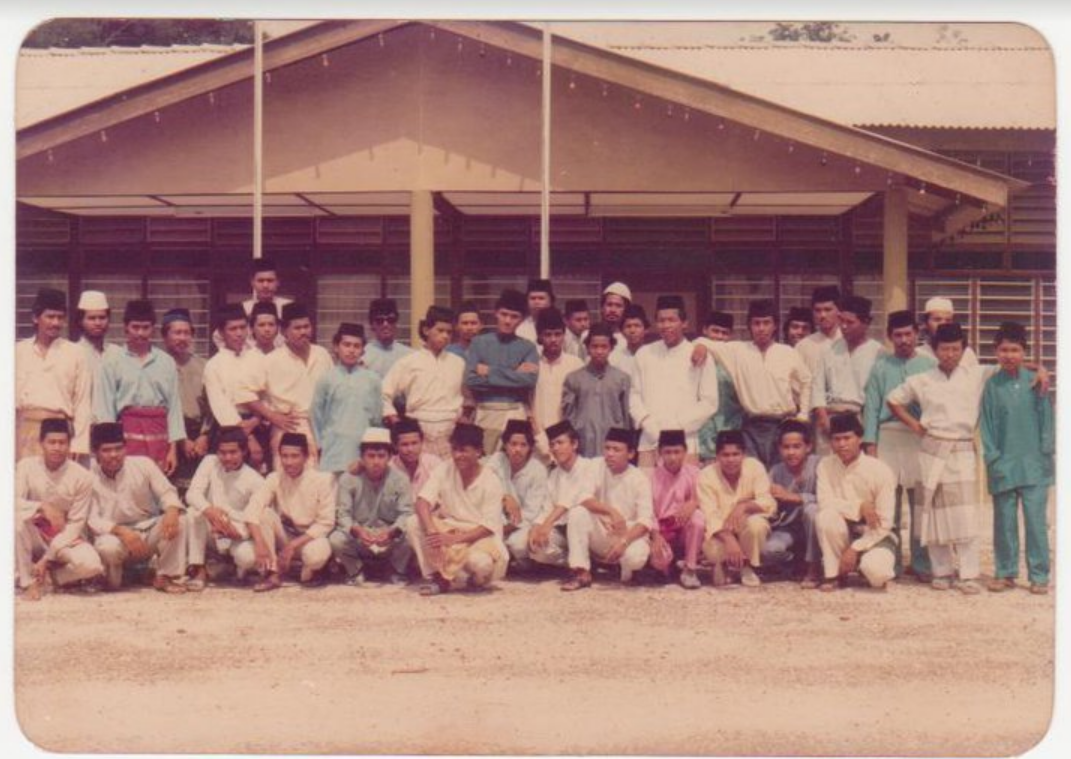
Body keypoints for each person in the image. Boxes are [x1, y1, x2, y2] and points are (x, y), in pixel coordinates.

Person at [886, 323, 989, 594]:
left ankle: (968, 574)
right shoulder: (923, 379)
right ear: (935, 349)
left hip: (962, 447)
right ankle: (940, 571)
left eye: (956, 349)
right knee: (932, 513)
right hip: (931, 448)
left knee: (965, 513)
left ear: (963, 349)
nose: (950, 354)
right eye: (945, 349)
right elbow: (893, 400)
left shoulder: (976, 375)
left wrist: (1037, 369)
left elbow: (1010, 367)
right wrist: (915, 425)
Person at [862, 310, 936, 581]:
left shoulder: (930, 365)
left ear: (917, 334)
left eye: (908, 334)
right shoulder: (882, 366)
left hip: (918, 436)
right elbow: (871, 406)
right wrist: (870, 444)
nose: (904, 340)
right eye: (898, 335)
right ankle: (888, 563)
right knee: (887, 505)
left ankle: (922, 564)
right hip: (888, 437)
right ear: (890, 337)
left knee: (920, 504)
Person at [981, 321, 1054, 595]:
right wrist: (992, 457)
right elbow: (987, 425)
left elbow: (1047, 420)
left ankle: (1039, 575)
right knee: (1004, 521)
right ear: (996, 352)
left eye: (1014, 350)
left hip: (1034, 463)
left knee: (1036, 522)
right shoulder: (992, 386)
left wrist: (1046, 453)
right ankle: (1005, 572)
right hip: (1003, 464)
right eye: (1003, 350)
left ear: (1024, 352)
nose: (1009, 355)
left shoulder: (1036, 382)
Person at [704, 299, 812, 468]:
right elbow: (702, 342)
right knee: (754, 475)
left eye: (766, 323)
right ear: (749, 326)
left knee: (780, 474)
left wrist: (804, 414)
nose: (761, 328)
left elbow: (806, 381)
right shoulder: (737, 351)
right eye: (756, 323)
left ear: (775, 325)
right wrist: (700, 348)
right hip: (750, 426)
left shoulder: (788, 352)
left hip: (781, 424)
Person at [87, 422, 189, 594]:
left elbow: (167, 493)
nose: (114, 455)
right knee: (108, 552)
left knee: (180, 519)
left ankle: (166, 576)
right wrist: (122, 531)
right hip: (114, 536)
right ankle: (126, 575)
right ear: (95, 453)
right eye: (106, 450)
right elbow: (91, 518)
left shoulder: (143, 464)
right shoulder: (87, 475)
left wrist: (171, 510)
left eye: (118, 448)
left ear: (125, 448)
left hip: (146, 533)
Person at [408, 423, 509, 595]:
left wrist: (453, 540)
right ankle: (437, 578)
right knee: (414, 522)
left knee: (480, 564)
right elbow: (422, 501)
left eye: (463, 450)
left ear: (478, 451)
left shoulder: (491, 480)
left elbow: (488, 527)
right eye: (454, 450)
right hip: (450, 528)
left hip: (480, 537)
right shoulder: (445, 468)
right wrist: (432, 531)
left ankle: (473, 579)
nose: (457, 455)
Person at [237, 302, 333, 471]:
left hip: (322, 427)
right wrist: (272, 416)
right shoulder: (272, 360)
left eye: (306, 326)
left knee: (320, 481)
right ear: (284, 331)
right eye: (297, 328)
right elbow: (244, 393)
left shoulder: (322, 354)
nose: (303, 332)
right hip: (289, 427)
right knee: (288, 483)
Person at [94, 299, 185, 475]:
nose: (140, 333)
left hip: (159, 434)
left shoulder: (166, 362)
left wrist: (172, 449)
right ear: (125, 328)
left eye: (146, 327)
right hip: (126, 434)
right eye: (135, 327)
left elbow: (174, 407)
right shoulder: (111, 361)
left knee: (156, 486)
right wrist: (110, 448)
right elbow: (105, 408)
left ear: (153, 328)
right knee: (128, 482)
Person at [15, 419, 103, 601]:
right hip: (32, 534)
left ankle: (50, 579)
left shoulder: (82, 476)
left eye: (62, 442)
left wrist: (47, 558)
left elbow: (76, 524)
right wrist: (41, 506)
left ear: (69, 445)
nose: (57, 447)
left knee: (92, 565)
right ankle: (27, 582)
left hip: (62, 537)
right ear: (41, 443)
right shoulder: (26, 466)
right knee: (16, 522)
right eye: (51, 442)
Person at [629, 295, 719, 468]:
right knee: (648, 493)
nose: (666, 325)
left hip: (685, 441)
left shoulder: (699, 354)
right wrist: (650, 426)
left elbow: (709, 402)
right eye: (661, 320)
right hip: (649, 440)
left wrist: (677, 426)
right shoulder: (644, 354)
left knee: (685, 494)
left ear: (684, 323)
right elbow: (635, 396)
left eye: (672, 320)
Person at [561, 428, 653, 591]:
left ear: (630, 454)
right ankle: (580, 571)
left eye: (616, 449)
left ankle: (625, 571)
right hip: (602, 531)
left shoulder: (639, 478)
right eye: (607, 448)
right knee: (577, 513)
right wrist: (612, 512)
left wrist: (624, 542)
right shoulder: (596, 466)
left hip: (627, 535)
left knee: (635, 557)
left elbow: (645, 521)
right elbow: (583, 497)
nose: (610, 454)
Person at [814, 413, 898, 591]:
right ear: (830, 442)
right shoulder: (825, 465)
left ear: (860, 438)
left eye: (847, 438)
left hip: (875, 534)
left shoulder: (880, 470)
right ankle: (834, 574)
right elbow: (824, 502)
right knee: (826, 516)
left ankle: (863, 566)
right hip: (843, 532)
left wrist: (855, 549)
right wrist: (860, 506)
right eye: (837, 439)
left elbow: (885, 522)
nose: (842, 444)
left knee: (877, 573)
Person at [243, 432, 336, 591]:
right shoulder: (274, 478)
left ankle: (314, 570)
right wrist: (259, 543)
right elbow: (253, 509)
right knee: (265, 514)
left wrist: (293, 545)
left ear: (306, 457)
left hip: (310, 538)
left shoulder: (323, 480)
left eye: (294, 456)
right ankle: (272, 574)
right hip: (286, 535)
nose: (288, 462)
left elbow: (326, 523)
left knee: (315, 556)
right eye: (284, 456)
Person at [184, 426, 266, 591]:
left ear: (244, 451)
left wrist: (235, 529)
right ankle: (198, 569)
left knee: (247, 558)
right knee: (193, 513)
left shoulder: (255, 480)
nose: (227, 457)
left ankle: (231, 568)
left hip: (237, 531)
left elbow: (256, 516)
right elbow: (192, 494)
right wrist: (211, 512)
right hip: (211, 526)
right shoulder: (210, 462)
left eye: (233, 452)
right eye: (222, 452)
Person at [330, 428, 414, 586]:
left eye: (381, 456)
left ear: (389, 457)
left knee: (411, 533)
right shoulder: (348, 479)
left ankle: (397, 571)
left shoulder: (401, 479)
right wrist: (357, 531)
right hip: (360, 537)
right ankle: (356, 571)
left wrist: (392, 532)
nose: (376, 461)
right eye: (371, 456)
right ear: (362, 457)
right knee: (336, 539)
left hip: (389, 538)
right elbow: (342, 515)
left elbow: (407, 513)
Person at [15, 288, 91, 461]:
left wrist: (78, 443)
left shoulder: (76, 353)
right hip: (25, 430)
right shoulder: (18, 352)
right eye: (50, 316)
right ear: (35, 318)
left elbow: (82, 402)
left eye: (60, 317)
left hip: (60, 433)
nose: (56, 322)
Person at [382, 306, 465, 458]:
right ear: (426, 330)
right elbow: (383, 394)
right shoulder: (409, 362)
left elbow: (467, 397)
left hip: (450, 430)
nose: (445, 336)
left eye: (449, 332)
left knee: (448, 477)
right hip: (419, 430)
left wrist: (461, 418)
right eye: (440, 330)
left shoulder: (458, 363)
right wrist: (397, 422)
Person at [464, 288, 540, 454]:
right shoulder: (479, 343)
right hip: (486, 412)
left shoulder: (527, 347)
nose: (507, 321)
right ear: (496, 313)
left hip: (515, 411)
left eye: (514, 317)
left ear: (522, 319)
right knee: (485, 462)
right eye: (504, 314)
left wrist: (489, 371)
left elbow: (528, 381)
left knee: (515, 461)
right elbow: (471, 380)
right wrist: (514, 373)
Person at [697, 430, 776, 588]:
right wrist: (730, 539)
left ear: (744, 454)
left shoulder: (755, 467)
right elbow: (710, 514)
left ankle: (747, 566)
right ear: (717, 456)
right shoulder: (706, 475)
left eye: (736, 454)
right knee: (713, 551)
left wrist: (744, 505)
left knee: (757, 525)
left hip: (744, 525)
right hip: (721, 530)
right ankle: (724, 565)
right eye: (725, 455)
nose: (731, 460)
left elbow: (768, 502)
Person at [812, 295, 883, 451]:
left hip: (860, 418)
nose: (843, 326)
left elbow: (878, 395)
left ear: (866, 323)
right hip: (830, 418)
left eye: (850, 322)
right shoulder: (829, 349)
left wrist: (869, 429)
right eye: (841, 321)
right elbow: (817, 388)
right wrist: (823, 418)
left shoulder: (877, 351)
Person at [526, 420, 597, 574]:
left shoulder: (589, 467)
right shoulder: (554, 475)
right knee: (536, 548)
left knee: (576, 513)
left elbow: (572, 499)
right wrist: (536, 527)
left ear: (574, 444)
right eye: (552, 444)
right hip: (562, 531)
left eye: (560, 442)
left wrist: (547, 523)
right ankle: (576, 563)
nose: (555, 448)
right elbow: (546, 507)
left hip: (590, 530)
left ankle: (582, 564)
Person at [311, 322, 382, 474]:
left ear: (363, 350)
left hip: (363, 448)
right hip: (333, 448)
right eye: (347, 345)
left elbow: (377, 418)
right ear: (336, 347)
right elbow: (316, 415)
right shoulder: (326, 379)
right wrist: (321, 444)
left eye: (357, 346)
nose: (351, 350)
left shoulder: (373, 379)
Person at [203, 304, 268, 469]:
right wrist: (249, 437)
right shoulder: (214, 365)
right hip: (229, 429)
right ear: (222, 332)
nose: (239, 333)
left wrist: (256, 420)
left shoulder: (258, 357)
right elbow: (221, 406)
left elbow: (268, 395)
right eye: (233, 329)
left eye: (243, 327)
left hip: (260, 422)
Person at [485, 419, 555, 569]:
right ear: (505, 444)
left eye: (523, 445)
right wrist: (505, 497)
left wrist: (504, 529)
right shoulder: (497, 460)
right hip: (497, 521)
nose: (518, 449)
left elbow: (531, 513)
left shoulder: (537, 470)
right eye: (513, 444)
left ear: (530, 447)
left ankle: (527, 564)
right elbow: (485, 483)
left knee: (517, 544)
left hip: (523, 525)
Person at [160, 308, 213, 491]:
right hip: (169, 437)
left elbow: (212, 406)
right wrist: (181, 439)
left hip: (199, 437)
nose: (182, 338)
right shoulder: (158, 365)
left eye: (187, 333)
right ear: (165, 336)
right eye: (177, 333)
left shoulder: (205, 366)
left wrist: (204, 436)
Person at [561, 323, 632, 458]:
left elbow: (627, 418)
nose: (599, 351)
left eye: (604, 347)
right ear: (587, 348)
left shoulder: (622, 379)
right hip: (584, 443)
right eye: (594, 346)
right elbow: (568, 417)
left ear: (611, 348)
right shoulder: (574, 378)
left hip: (613, 445)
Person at [764, 420, 821, 586]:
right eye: (786, 447)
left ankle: (813, 566)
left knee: (812, 510)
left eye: (797, 446)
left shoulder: (819, 465)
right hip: (789, 528)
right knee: (768, 551)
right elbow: (769, 508)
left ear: (808, 447)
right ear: (779, 449)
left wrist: (796, 497)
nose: (791, 452)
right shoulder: (776, 471)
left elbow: (829, 498)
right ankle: (794, 561)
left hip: (814, 527)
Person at [648, 430, 704, 589]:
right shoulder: (651, 477)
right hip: (662, 531)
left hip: (684, 529)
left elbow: (705, 498)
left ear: (685, 451)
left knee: (698, 518)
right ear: (660, 453)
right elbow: (648, 511)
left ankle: (690, 570)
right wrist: (655, 535)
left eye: (677, 452)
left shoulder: (695, 473)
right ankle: (668, 565)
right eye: (667, 452)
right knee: (660, 561)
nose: (672, 457)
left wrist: (694, 503)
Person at [530, 307, 585, 460]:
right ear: (540, 336)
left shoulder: (576, 364)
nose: (553, 339)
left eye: (557, 334)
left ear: (564, 334)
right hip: (537, 440)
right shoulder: (532, 365)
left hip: (567, 445)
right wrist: (538, 436)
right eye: (548, 334)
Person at [212, 257, 292, 351]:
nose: (265, 285)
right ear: (252, 282)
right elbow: (217, 336)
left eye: (270, 280)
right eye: (260, 281)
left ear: (277, 282)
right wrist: (236, 357)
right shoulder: (242, 308)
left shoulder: (289, 307)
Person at [696, 310, 744, 463]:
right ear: (705, 330)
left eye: (724, 333)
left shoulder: (736, 358)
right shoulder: (694, 353)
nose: (719, 336)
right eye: (715, 331)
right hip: (702, 429)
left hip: (731, 426)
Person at [383, 417, 443, 500]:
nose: (410, 449)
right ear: (395, 446)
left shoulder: (434, 463)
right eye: (405, 444)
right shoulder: (388, 468)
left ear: (422, 442)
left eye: (414, 443)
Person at [917, 297, 979, 368]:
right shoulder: (919, 354)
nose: (943, 324)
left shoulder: (966, 354)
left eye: (948, 320)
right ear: (926, 323)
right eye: (937, 320)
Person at [796, 285, 842, 375]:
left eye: (828, 310)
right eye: (817, 310)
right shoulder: (803, 346)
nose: (822, 315)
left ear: (838, 311)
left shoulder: (848, 342)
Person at [363, 298, 413, 378]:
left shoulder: (409, 356)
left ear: (396, 322)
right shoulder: (363, 355)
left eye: (390, 320)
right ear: (372, 324)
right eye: (380, 320)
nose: (385, 324)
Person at [608, 303, 649, 376]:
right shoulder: (614, 358)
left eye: (637, 326)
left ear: (645, 329)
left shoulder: (653, 355)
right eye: (628, 326)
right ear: (622, 331)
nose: (632, 330)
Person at [516, 278, 555, 344]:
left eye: (541, 298)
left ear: (550, 301)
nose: (536, 302)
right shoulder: (520, 329)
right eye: (532, 298)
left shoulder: (561, 326)